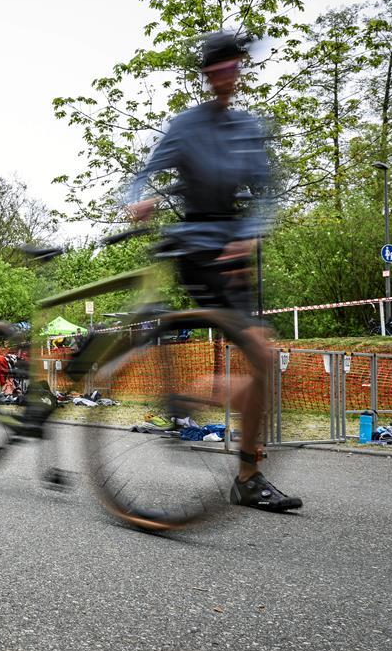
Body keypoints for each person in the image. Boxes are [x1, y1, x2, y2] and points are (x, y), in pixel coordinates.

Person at [127, 30, 302, 513]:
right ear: (207, 75)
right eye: (217, 69)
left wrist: (251, 233)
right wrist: (137, 200)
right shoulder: (185, 125)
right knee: (257, 352)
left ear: (238, 72)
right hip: (195, 250)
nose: (226, 76)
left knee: (263, 359)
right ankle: (186, 399)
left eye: (233, 68)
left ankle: (246, 473)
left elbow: (268, 192)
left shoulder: (249, 128)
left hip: (237, 253)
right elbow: (143, 173)